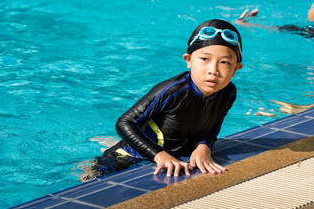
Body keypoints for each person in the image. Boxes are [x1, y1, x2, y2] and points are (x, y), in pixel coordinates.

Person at [81, 19, 243, 182]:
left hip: (176, 155)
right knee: (88, 180)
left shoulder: (227, 93)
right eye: (204, 59)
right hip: (132, 154)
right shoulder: (173, 90)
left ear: (236, 68)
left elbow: (212, 128)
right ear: (188, 60)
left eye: (224, 62)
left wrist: (204, 146)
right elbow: (124, 123)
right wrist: (160, 155)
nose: (213, 71)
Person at [237, 3, 314, 38]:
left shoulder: (306, 31)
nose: (312, 5)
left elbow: (269, 29)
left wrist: (243, 23)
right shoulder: (308, 30)